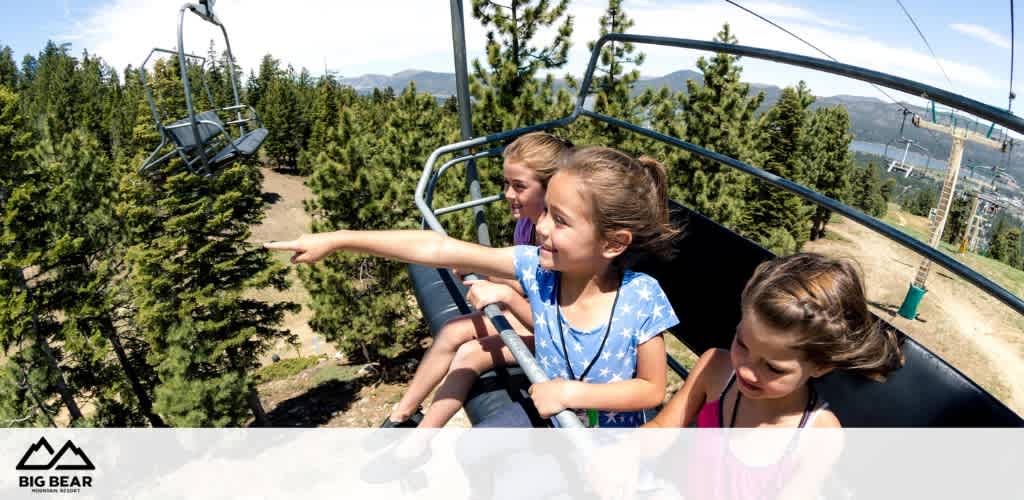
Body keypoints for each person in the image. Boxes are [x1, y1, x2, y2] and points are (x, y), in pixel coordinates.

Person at [265, 146, 681, 429]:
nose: (541, 227)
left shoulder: (640, 297)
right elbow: (439, 247)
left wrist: (573, 392)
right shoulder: (537, 270)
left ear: (613, 243)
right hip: (554, 419)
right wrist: (339, 239)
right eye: (547, 212)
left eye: (562, 220)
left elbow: (651, 388)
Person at [591, 253, 904, 499]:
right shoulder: (715, 369)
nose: (746, 370)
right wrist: (624, 451)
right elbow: (662, 429)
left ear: (821, 366)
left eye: (773, 368)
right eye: (742, 343)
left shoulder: (819, 436)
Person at [382, 132, 574, 428]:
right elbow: (529, 283)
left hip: (557, 334)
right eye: (505, 184)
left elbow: (551, 314)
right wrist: (493, 275)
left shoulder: (558, 243)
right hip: (536, 312)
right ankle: (402, 415)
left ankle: (421, 437)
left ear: (550, 189)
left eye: (519, 186)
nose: (507, 194)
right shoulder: (527, 224)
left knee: (471, 352)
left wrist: (502, 289)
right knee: (452, 331)